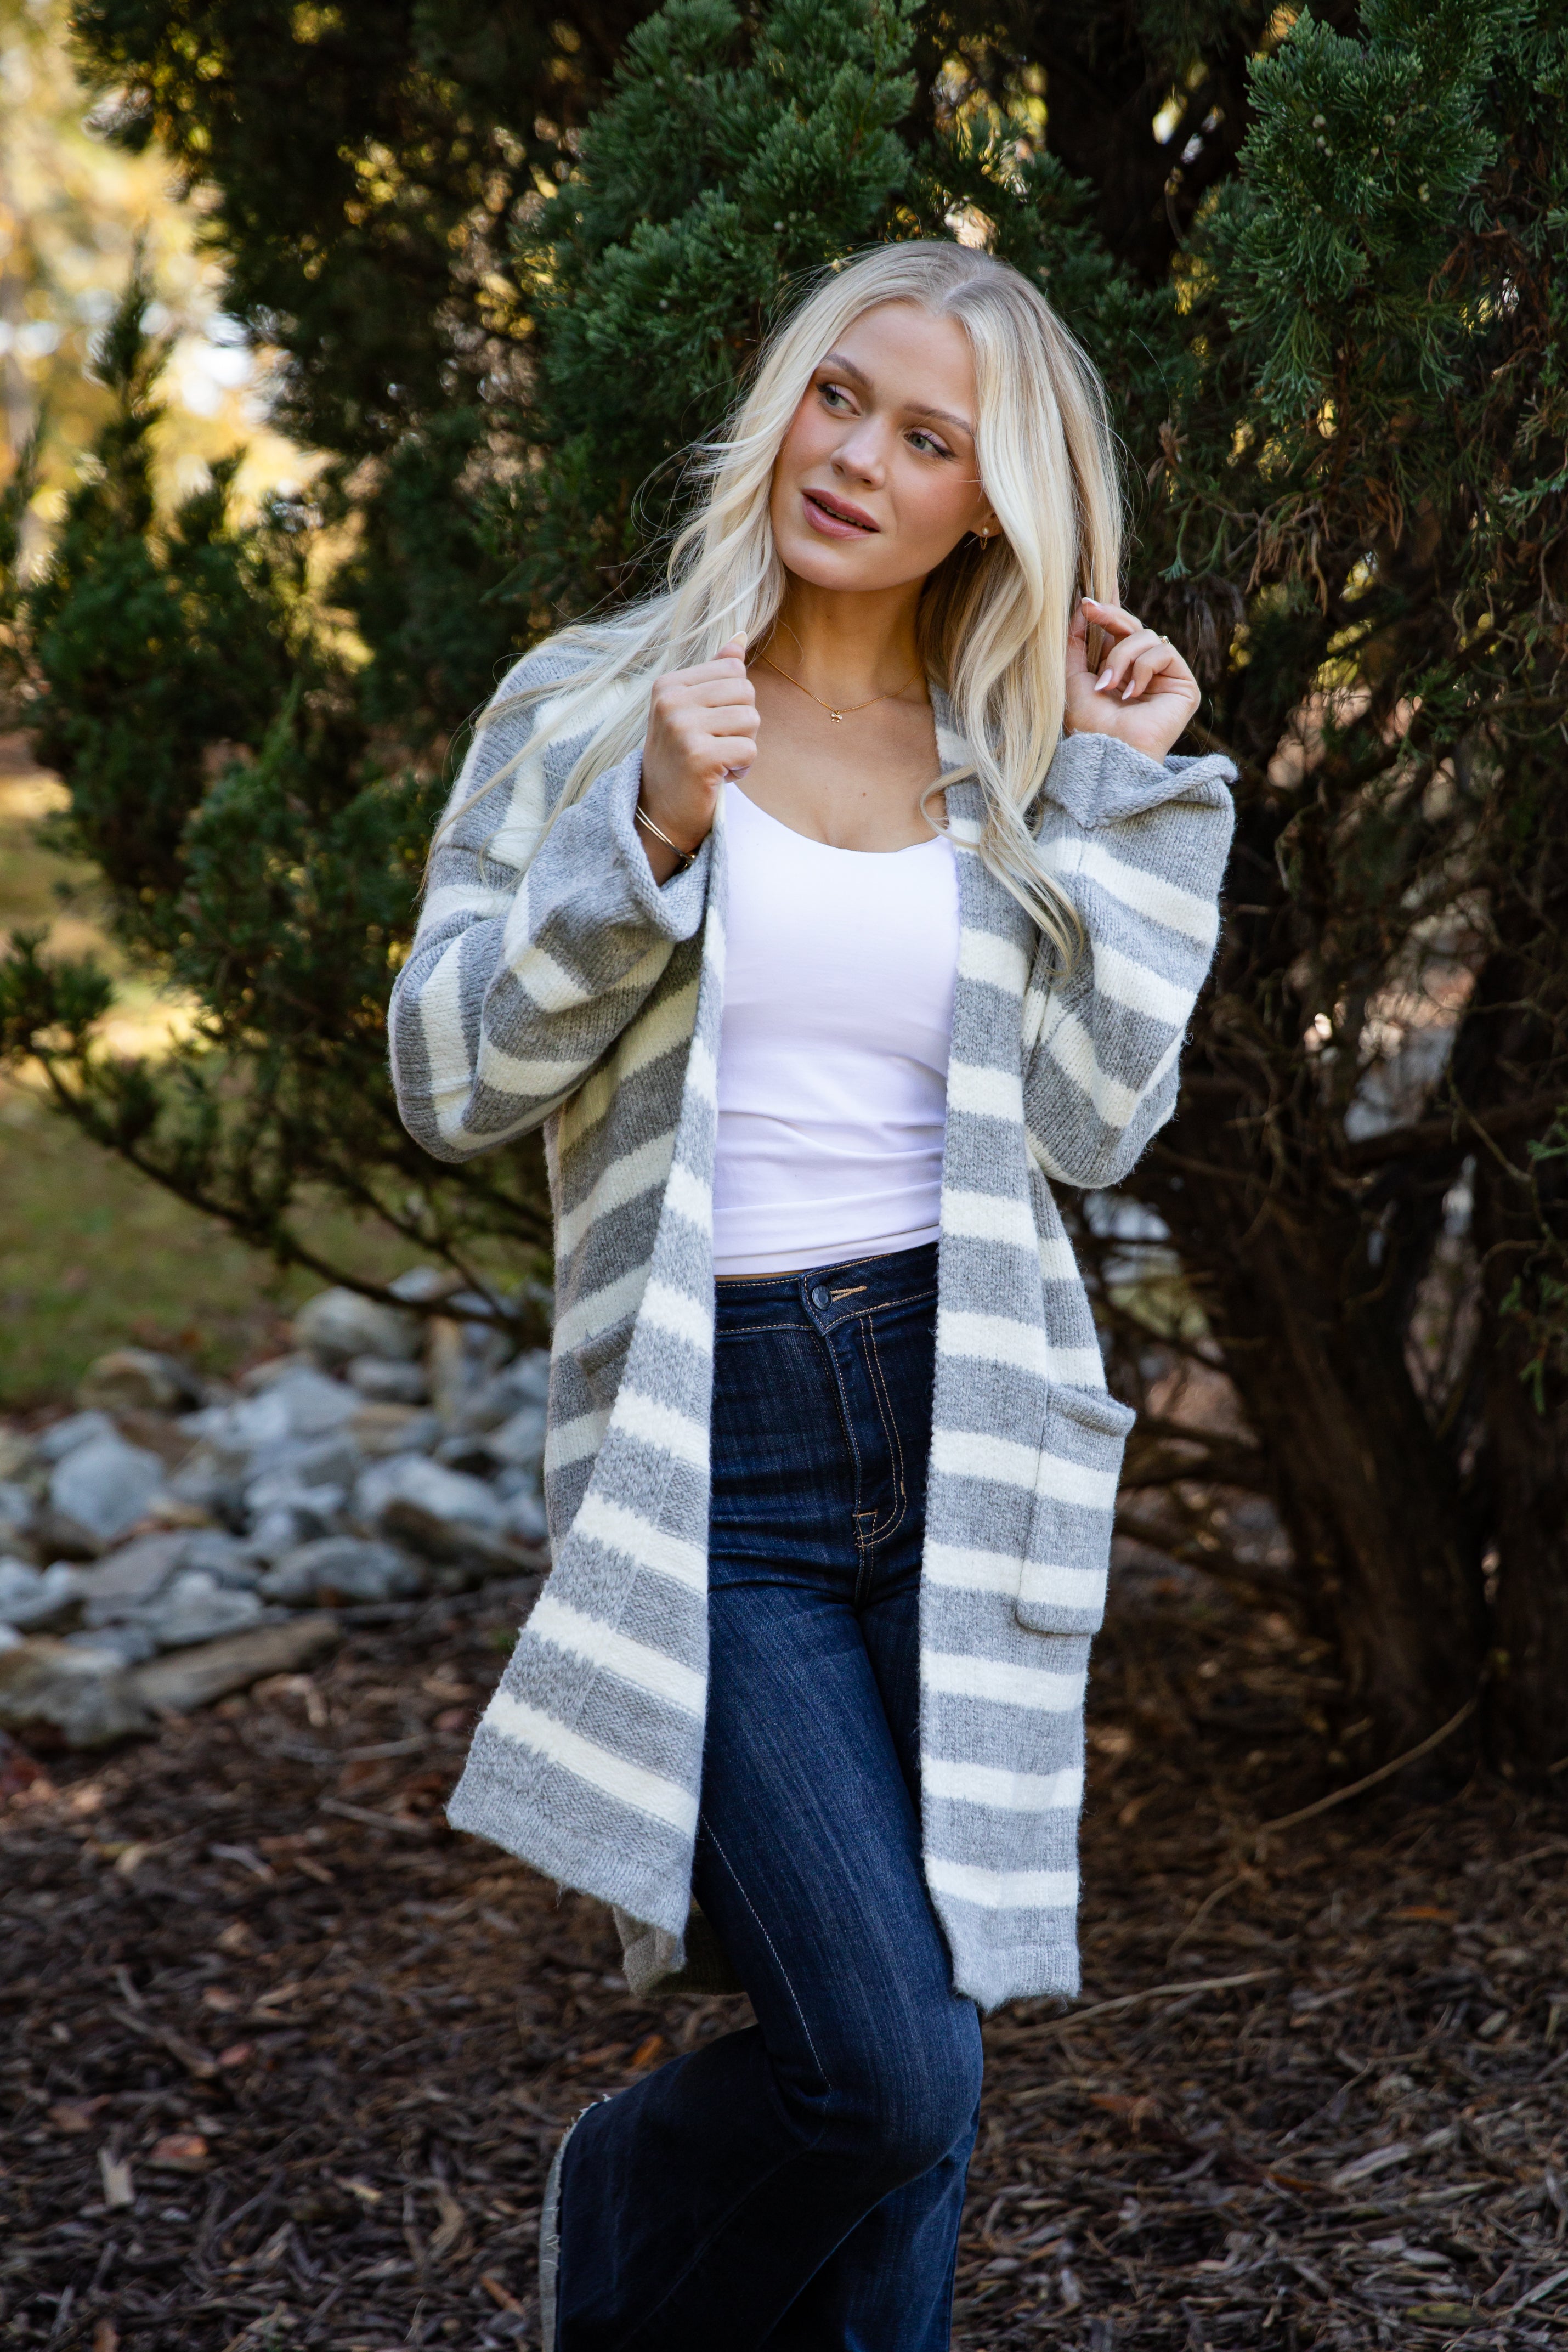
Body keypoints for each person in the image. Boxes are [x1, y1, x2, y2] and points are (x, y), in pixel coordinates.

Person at [388, 239, 1235, 2350]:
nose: (857, 458)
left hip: (963, 1429)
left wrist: (1121, 797)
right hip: (718, 1455)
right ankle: (627, 2198)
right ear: (784, 401)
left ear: (994, 508)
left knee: (919, 2085)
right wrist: (648, 834)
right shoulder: (595, 705)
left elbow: (1094, 1124)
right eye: (841, 397)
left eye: (930, 439)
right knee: (883, 2067)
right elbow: (448, 1078)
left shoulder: (1013, 754)